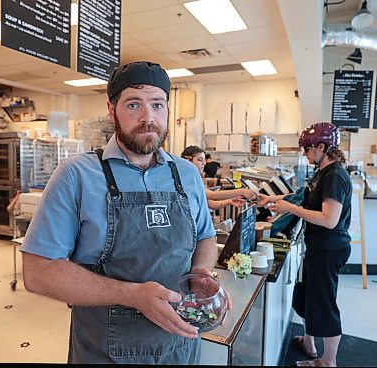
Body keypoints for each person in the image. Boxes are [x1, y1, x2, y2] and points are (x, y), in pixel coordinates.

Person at [20, 61, 229, 364]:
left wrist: (200, 274)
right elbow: (37, 272)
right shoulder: (76, 175)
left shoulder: (186, 173)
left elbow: (206, 238)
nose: (148, 118)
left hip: (180, 349)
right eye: (134, 104)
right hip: (104, 352)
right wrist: (132, 295)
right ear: (111, 109)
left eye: (158, 105)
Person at [257, 122, 352, 367]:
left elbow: (329, 220)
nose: (304, 154)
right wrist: (271, 199)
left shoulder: (335, 176)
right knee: (308, 296)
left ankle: (328, 361)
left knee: (324, 301)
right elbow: (302, 196)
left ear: (322, 147)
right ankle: (309, 344)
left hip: (329, 248)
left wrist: (289, 209)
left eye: (307, 149)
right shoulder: (322, 172)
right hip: (317, 245)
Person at [180, 145, 258, 210]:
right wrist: (242, 191)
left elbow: (211, 203)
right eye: (200, 160)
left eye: (204, 160)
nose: (204, 163)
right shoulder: (184, 180)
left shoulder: (195, 179)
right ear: (188, 160)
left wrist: (230, 201)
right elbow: (213, 195)